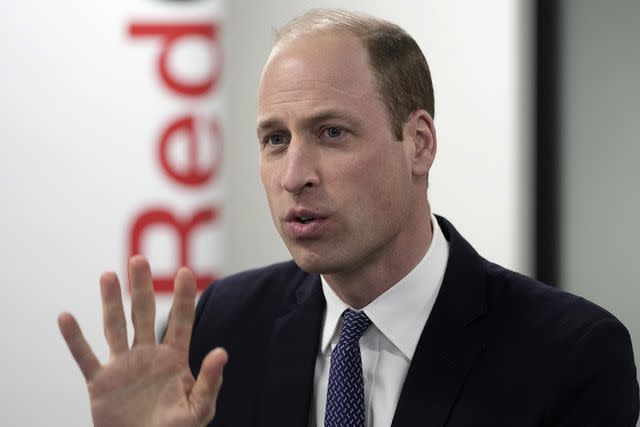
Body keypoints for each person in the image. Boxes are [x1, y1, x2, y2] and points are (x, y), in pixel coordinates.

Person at [58, 9, 639, 427]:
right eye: (275, 139)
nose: (294, 176)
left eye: (331, 133)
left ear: (418, 143)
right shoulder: (224, 327)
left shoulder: (572, 355)